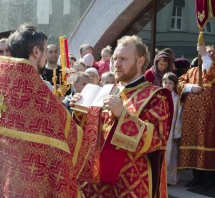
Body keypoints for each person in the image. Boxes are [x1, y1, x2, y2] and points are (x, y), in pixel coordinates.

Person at [0, 23, 97, 197]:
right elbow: (77, 147)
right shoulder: (39, 95)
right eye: (45, 50)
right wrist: (91, 114)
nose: (47, 56)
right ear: (36, 52)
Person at [70, 35, 173, 197]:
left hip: (131, 182)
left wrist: (123, 116)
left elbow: (157, 140)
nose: (116, 64)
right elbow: (90, 133)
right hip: (96, 181)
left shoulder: (155, 96)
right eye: (115, 58)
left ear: (140, 61)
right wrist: (80, 112)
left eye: (123, 59)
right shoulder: (106, 90)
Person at [178, 44, 215, 190]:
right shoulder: (192, 71)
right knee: (194, 146)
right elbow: (179, 83)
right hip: (192, 119)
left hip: (212, 118)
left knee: (209, 145)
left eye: (212, 53)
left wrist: (204, 55)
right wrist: (190, 87)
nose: (209, 54)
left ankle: (209, 178)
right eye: (207, 52)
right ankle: (196, 177)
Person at [162, 72, 182, 185]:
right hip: (160, 129)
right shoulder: (158, 95)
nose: (167, 85)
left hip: (170, 129)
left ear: (174, 85)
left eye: (170, 83)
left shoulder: (176, 98)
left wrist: (177, 131)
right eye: (165, 82)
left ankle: (168, 178)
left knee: (170, 152)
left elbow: (179, 115)